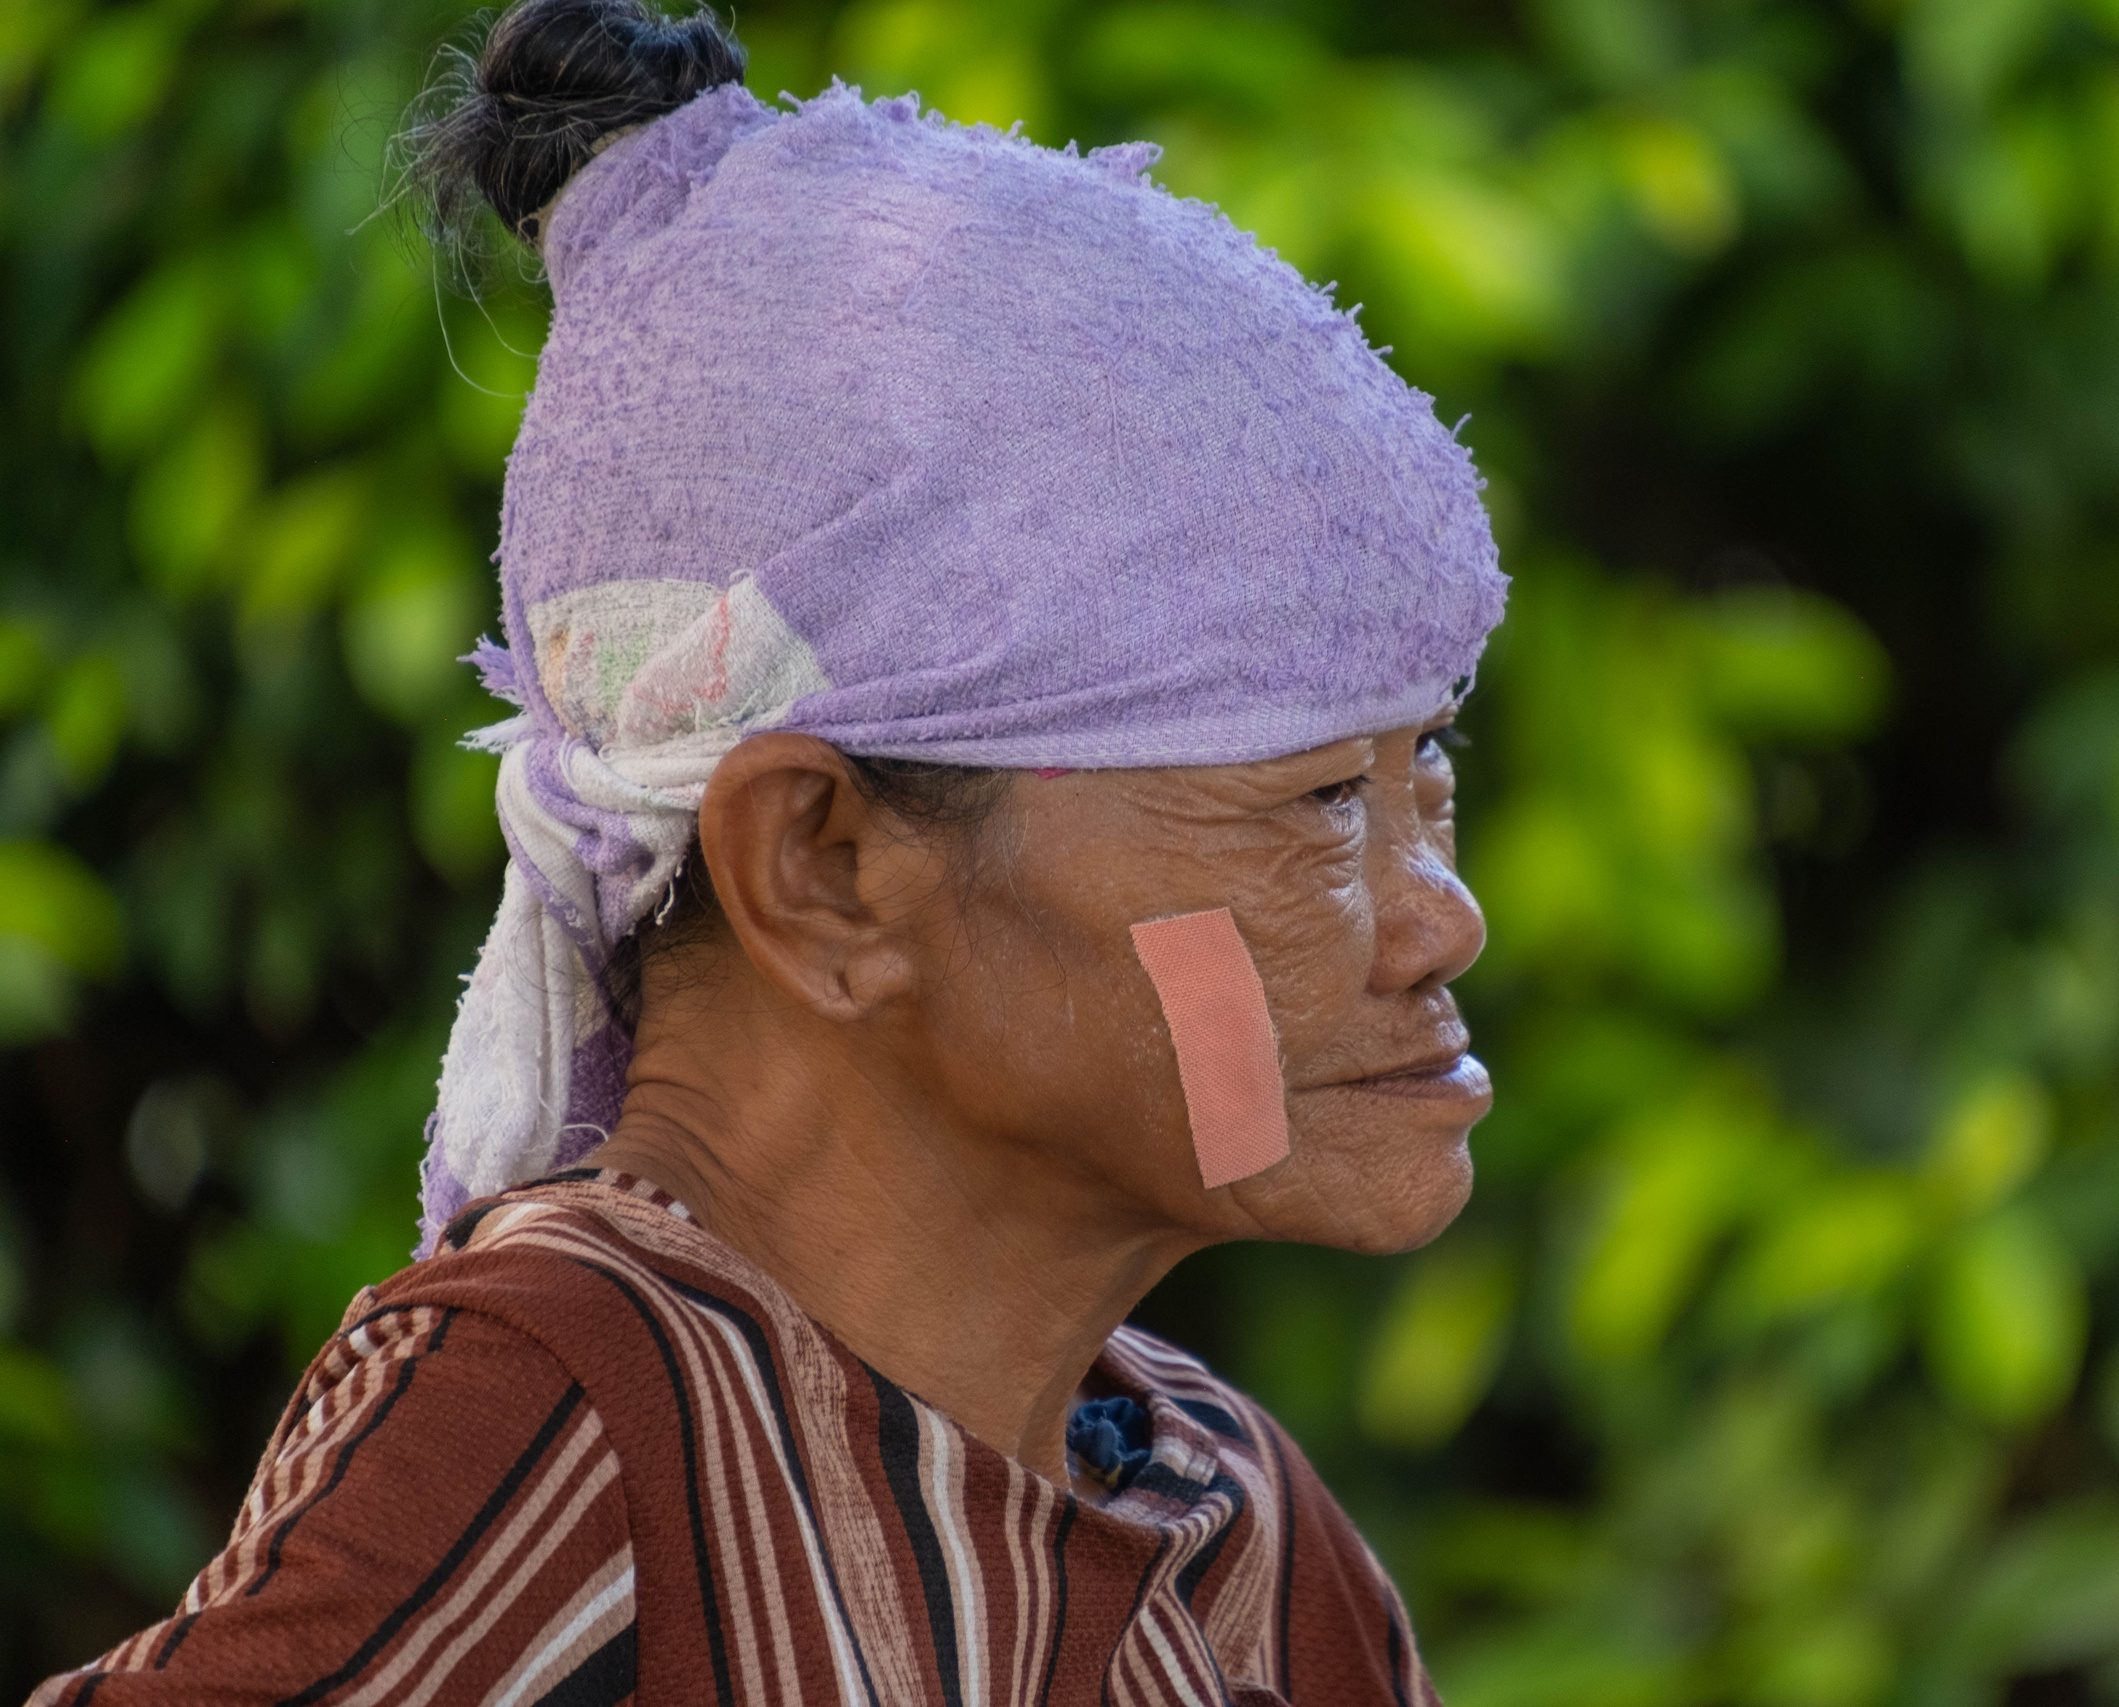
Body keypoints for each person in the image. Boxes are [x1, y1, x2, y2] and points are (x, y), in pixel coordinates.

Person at [32, 0, 1505, 1699]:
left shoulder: (1242, 1536)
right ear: (822, 867)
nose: (1441, 923)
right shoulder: (573, 1432)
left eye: (1425, 766)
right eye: (1316, 806)